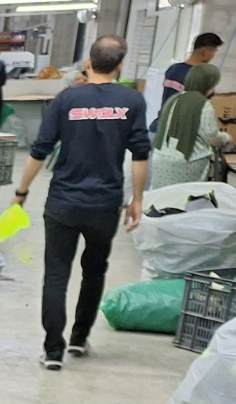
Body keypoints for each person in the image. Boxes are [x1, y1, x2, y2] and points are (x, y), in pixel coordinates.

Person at [12, 35, 150, 370]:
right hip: (105, 202)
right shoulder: (132, 101)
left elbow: (39, 150)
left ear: (88, 62)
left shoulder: (66, 100)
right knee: (94, 270)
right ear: (120, 65)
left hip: (63, 202)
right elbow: (140, 154)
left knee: (56, 274)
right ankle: (78, 338)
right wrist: (137, 199)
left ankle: (53, 350)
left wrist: (21, 193)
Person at [150, 63, 225, 189]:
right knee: (184, 202)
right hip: (186, 165)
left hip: (160, 161)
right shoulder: (203, 105)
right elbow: (211, 137)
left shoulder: (174, 99)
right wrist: (225, 138)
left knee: (163, 200)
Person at [156, 33, 223, 132]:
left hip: (160, 125)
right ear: (207, 52)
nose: (213, 56)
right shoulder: (199, 76)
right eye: (214, 52)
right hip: (178, 132)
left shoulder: (173, 69)